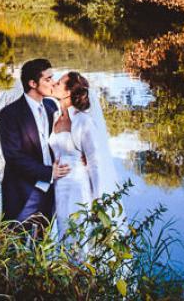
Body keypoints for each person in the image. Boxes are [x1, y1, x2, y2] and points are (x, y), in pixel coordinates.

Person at [48, 71, 123, 245]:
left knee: (78, 237)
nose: (54, 84)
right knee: (63, 236)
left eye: (58, 83)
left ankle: (80, 270)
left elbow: (95, 163)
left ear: (68, 92)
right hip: (58, 188)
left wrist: (97, 200)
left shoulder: (83, 121)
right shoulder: (54, 116)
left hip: (78, 187)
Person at [0, 58, 70, 237]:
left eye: (52, 78)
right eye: (48, 79)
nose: (53, 83)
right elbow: (13, 157)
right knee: (13, 246)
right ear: (32, 83)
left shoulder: (51, 106)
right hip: (23, 192)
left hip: (51, 191)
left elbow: (62, 138)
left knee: (41, 247)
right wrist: (47, 172)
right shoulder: (10, 114)